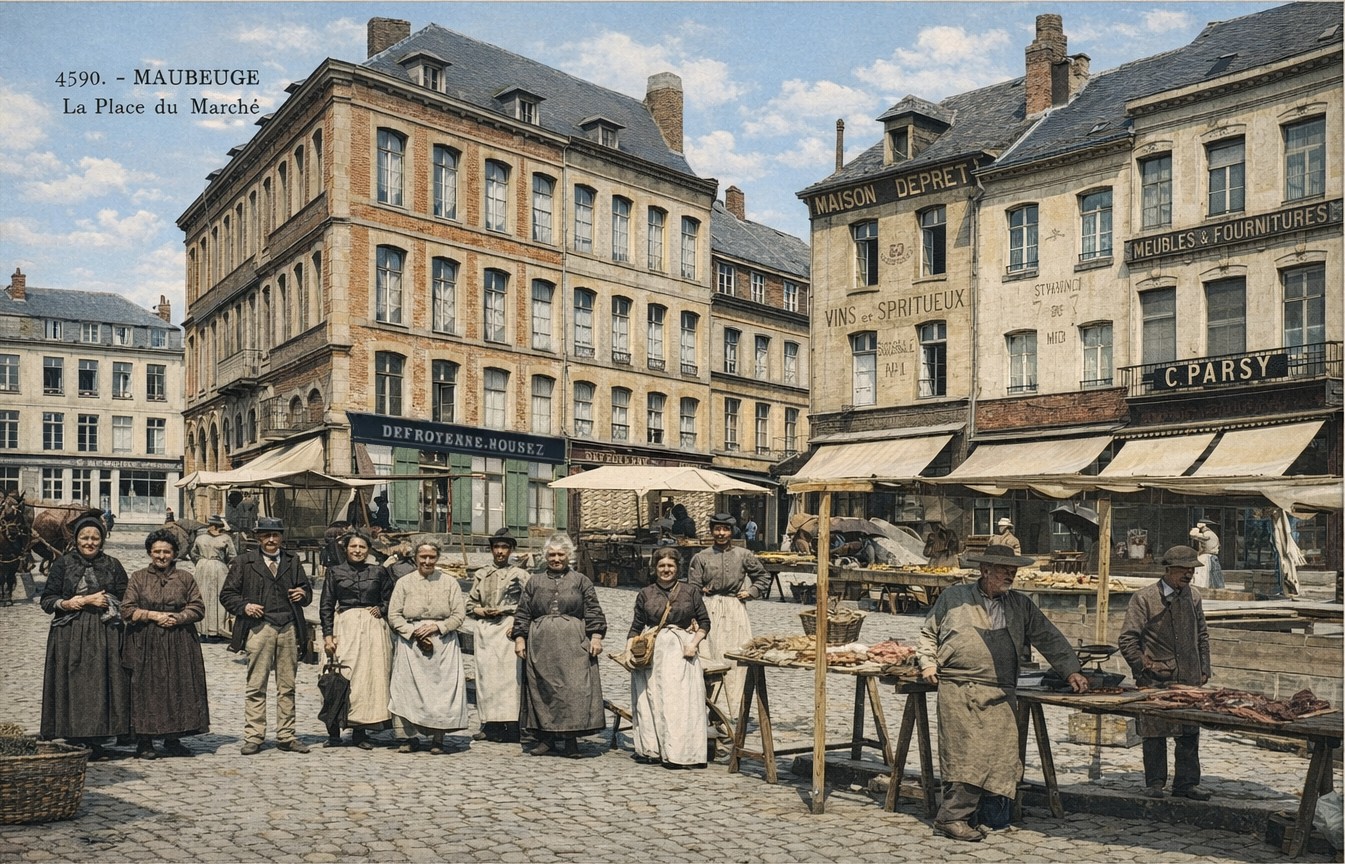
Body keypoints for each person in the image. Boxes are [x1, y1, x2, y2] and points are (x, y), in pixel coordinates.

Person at [916, 544, 1087, 842]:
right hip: (959, 689)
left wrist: (1070, 669)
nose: (1011, 576)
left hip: (1000, 693)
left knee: (1000, 755)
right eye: (1004, 570)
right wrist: (928, 662)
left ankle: (987, 815)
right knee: (965, 756)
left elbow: (1048, 636)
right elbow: (928, 633)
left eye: (1014, 571)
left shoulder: (1020, 605)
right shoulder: (954, 597)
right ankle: (951, 818)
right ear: (984, 571)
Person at [1118, 545, 1212, 801]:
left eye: (1192, 569)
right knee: (1154, 732)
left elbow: (1202, 635)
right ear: (1169, 569)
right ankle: (1155, 783)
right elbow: (1127, 639)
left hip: (1189, 678)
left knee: (1189, 733)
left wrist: (1204, 667)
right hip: (1156, 680)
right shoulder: (1144, 598)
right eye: (1184, 569)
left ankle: (1187, 784)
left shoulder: (1193, 597)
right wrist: (1143, 666)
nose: (1189, 574)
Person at [38, 514, 132, 760]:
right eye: (85, 537)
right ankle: (73, 736)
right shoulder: (63, 564)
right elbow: (47, 601)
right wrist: (79, 601)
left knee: (101, 683)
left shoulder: (113, 564)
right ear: (76, 539)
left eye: (95, 538)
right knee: (73, 683)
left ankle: (98, 738)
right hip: (68, 633)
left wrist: (109, 601)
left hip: (104, 633)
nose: (90, 542)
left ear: (102, 540)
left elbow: (128, 599)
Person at [219, 516, 314, 755]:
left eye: (275, 535)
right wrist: (245, 607)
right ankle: (254, 736)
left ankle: (286, 735)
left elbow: (308, 591)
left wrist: (302, 593)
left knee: (287, 686)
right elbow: (227, 595)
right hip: (259, 628)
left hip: (289, 627)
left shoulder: (292, 561)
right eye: (266, 536)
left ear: (282, 537)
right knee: (256, 684)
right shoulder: (244, 562)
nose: (271, 540)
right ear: (258, 537)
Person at [512, 532, 606, 758]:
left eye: (560, 555)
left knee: (574, 689)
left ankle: (571, 740)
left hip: (573, 642)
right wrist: (519, 638)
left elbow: (593, 609)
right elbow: (523, 611)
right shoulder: (534, 582)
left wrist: (596, 636)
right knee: (543, 689)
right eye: (551, 554)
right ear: (545, 556)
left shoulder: (581, 581)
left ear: (569, 556)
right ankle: (547, 739)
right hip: (541, 644)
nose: (556, 559)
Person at [121, 529, 209, 759]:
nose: (162, 556)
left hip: (179, 640)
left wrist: (178, 617)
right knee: (146, 688)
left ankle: (173, 738)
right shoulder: (138, 577)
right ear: (150, 553)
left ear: (174, 553)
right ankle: (145, 741)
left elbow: (197, 607)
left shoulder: (185, 578)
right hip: (145, 640)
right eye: (157, 551)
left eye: (167, 552)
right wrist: (152, 615)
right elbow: (126, 609)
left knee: (176, 687)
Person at [627, 546, 710, 769]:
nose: (666, 570)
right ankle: (653, 749)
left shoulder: (690, 591)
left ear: (677, 568)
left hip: (681, 652)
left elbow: (704, 622)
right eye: (661, 566)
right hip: (654, 652)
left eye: (670, 566)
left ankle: (679, 754)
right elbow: (636, 627)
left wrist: (693, 644)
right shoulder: (646, 593)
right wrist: (629, 653)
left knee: (679, 704)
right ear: (655, 569)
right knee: (652, 700)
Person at [386, 542, 469, 754]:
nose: (427, 561)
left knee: (440, 691)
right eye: (423, 556)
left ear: (438, 557)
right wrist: (411, 631)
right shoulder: (404, 583)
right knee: (406, 689)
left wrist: (438, 626)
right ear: (415, 557)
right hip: (411, 642)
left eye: (432, 557)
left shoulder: (450, 583)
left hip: (442, 643)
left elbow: (459, 615)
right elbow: (394, 615)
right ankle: (408, 737)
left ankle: (437, 739)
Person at [688, 513, 770, 719]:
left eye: (725, 529)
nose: (721, 533)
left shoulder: (744, 555)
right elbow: (693, 587)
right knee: (711, 656)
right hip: (710, 607)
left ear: (732, 532)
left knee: (735, 657)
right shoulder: (701, 557)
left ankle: (732, 708)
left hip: (735, 610)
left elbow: (763, 576)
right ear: (711, 531)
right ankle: (709, 707)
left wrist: (750, 592)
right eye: (717, 529)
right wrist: (694, 613)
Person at [320, 530, 394, 749]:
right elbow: (326, 604)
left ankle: (359, 732)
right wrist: (328, 634)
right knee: (337, 674)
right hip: (345, 626)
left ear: (368, 550)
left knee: (366, 680)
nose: (358, 551)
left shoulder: (379, 571)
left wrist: (381, 609)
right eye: (353, 547)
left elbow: (391, 598)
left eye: (362, 547)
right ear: (346, 549)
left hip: (372, 630)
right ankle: (333, 731)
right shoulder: (335, 572)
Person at [467, 528, 529, 743]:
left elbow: (528, 604)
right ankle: (490, 725)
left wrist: (516, 622)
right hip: (486, 629)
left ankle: (513, 726)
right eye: (497, 547)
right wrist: (482, 611)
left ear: (511, 550)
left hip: (508, 628)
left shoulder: (520, 575)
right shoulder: (482, 574)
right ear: (491, 550)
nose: (500, 552)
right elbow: (470, 604)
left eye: (504, 548)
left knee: (510, 679)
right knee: (487, 678)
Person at [189, 515, 235, 640]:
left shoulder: (201, 538)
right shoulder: (225, 539)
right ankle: (211, 630)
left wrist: (200, 562)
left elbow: (193, 553)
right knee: (210, 596)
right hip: (217, 566)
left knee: (213, 597)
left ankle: (211, 630)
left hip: (205, 566)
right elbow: (232, 556)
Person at [1189, 519, 1224, 589]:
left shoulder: (1208, 534)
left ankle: (1200, 588)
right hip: (1211, 556)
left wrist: (1196, 529)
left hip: (1206, 556)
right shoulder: (1213, 534)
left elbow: (1192, 535)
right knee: (1213, 575)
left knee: (1202, 574)